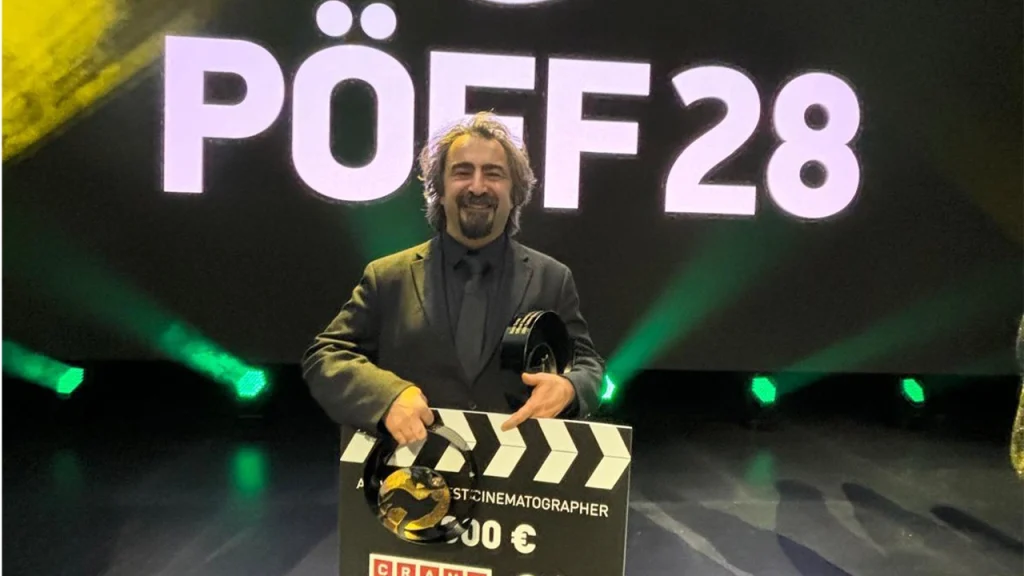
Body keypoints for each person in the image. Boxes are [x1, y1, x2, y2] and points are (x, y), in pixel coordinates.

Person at [301, 112, 605, 445]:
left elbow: (588, 364)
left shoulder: (553, 279)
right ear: (439, 190)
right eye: (462, 172)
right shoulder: (388, 277)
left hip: (516, 472)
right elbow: (325, 355)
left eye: (493, 174)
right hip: (407, 469)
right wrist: (387, 397)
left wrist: (570, 388)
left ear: (515, 193)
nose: (477, 187)